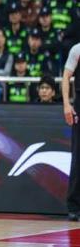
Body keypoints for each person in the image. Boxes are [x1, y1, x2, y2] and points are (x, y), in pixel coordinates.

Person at [62, 42, 80, 221]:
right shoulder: (77, 49)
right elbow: (66, 76)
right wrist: (67, 104)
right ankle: (74, 206)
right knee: (78, 156)